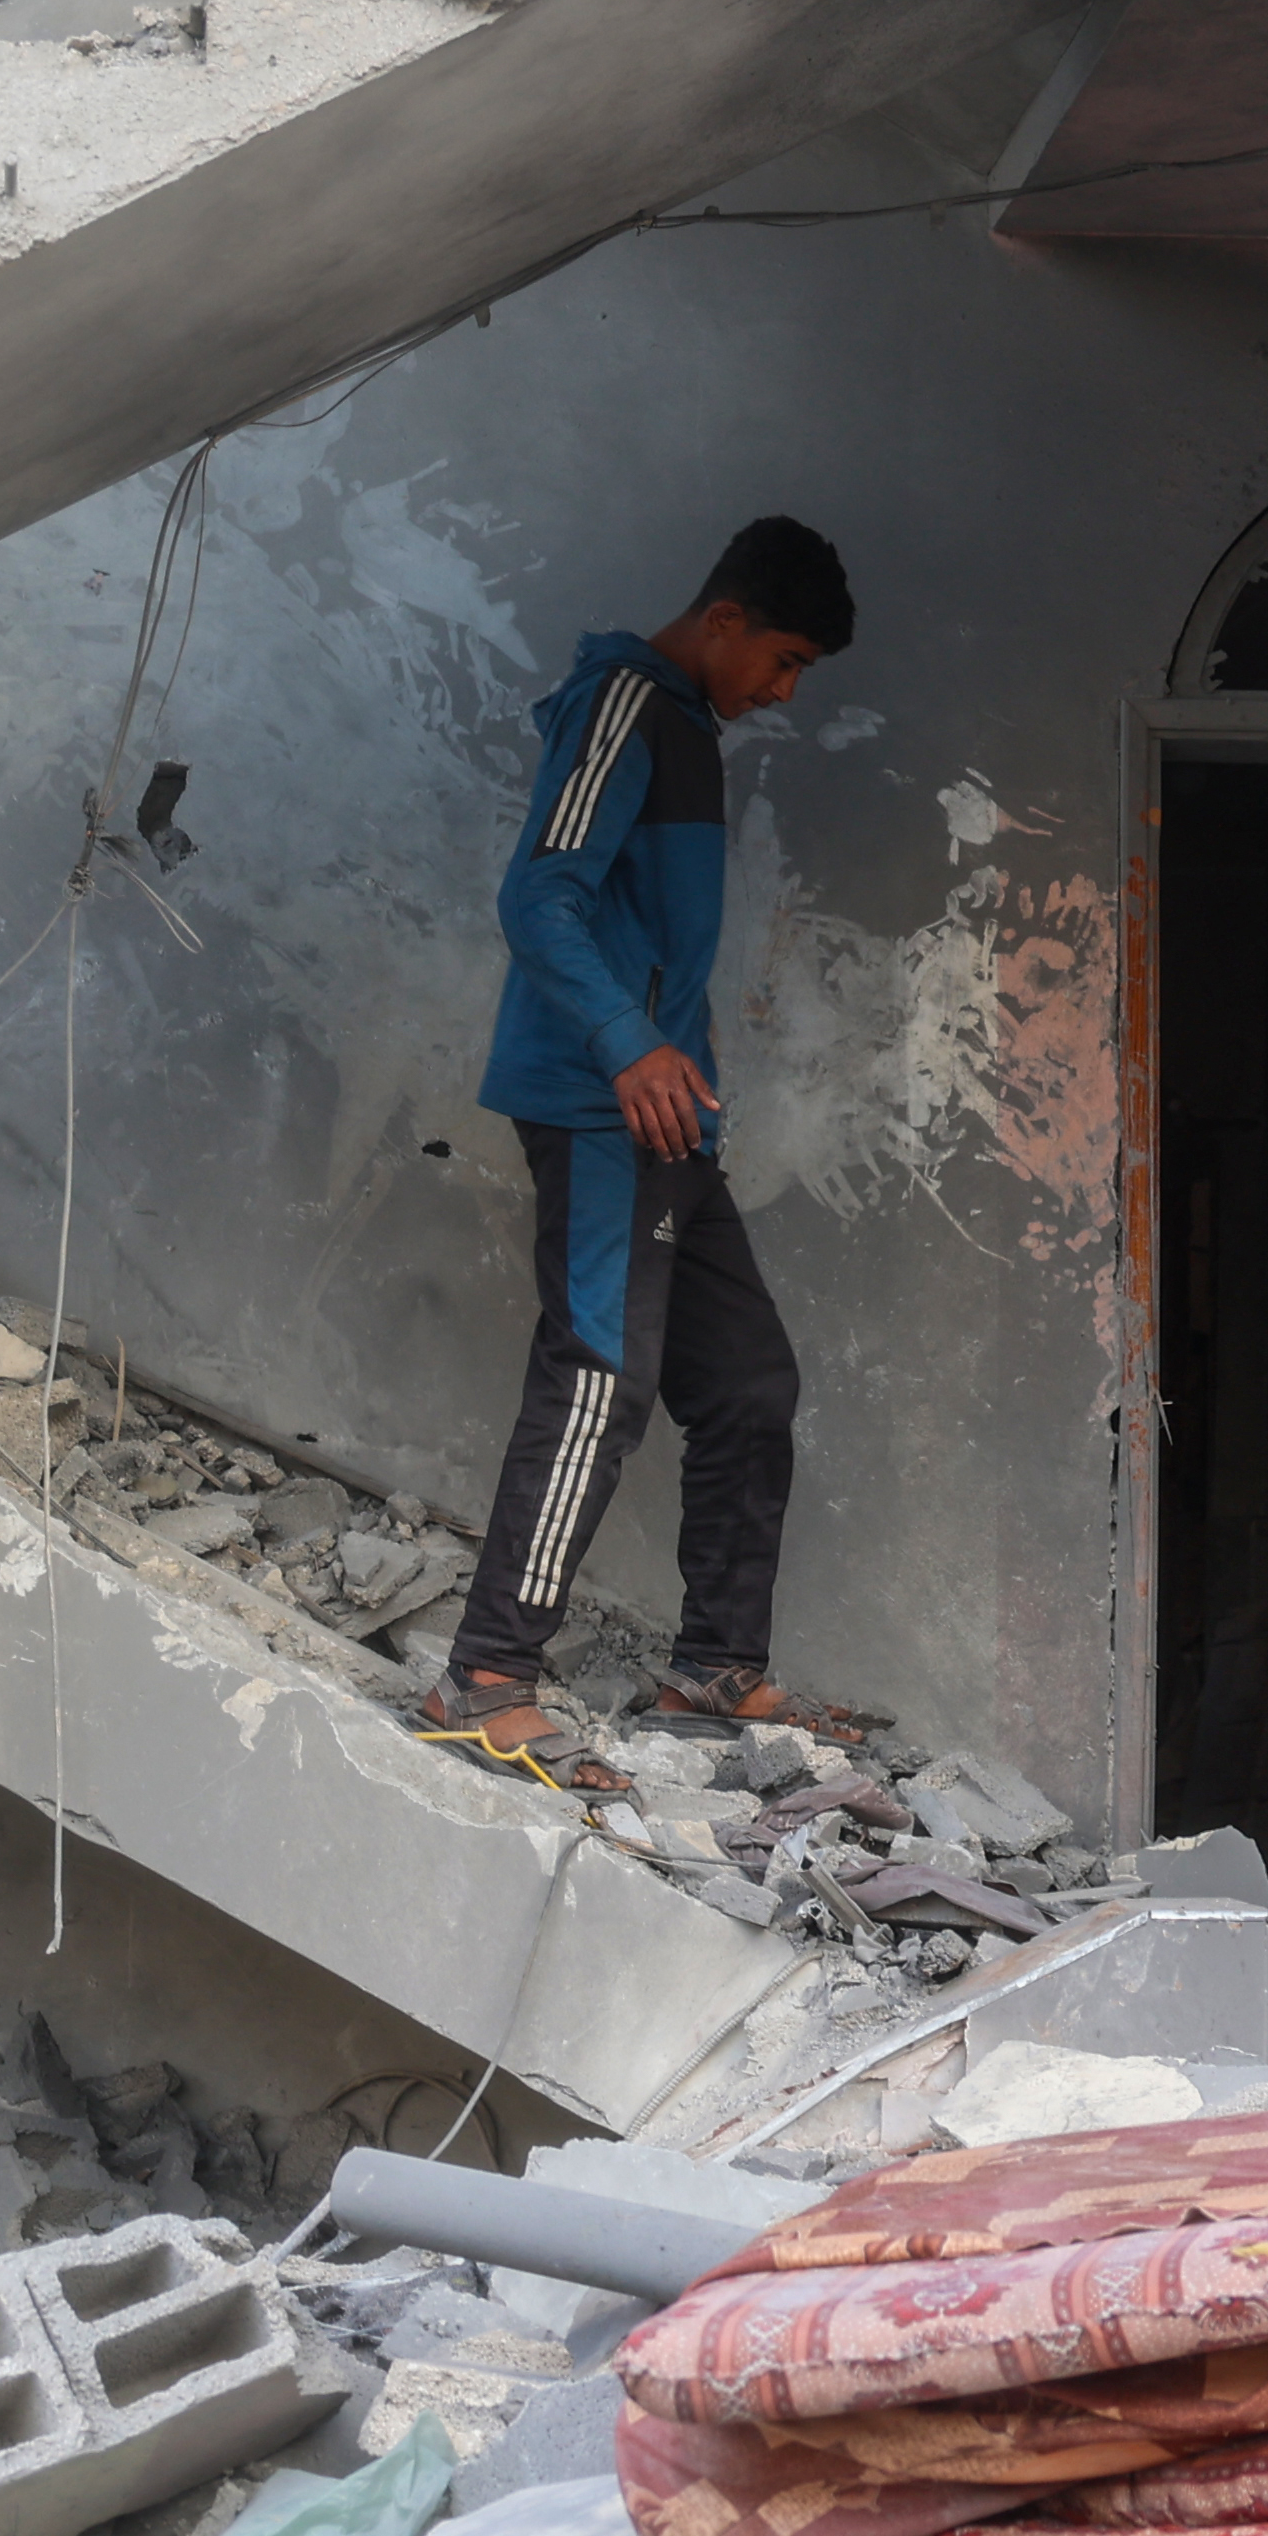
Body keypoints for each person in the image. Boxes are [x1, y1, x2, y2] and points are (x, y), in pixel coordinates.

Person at [416, 515, 882, 1789]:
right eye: (782, 661)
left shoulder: (685, 721)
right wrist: (627, 1043)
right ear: (722, 619)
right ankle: (486, 1676)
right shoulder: (625, 699)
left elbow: (642, 931)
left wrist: (674, 1059)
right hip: (602, 1101)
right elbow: (540, 891)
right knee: (598, 1379)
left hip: (672, 1113)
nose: (781, 692)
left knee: (748, 1384)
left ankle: (713, 1673)